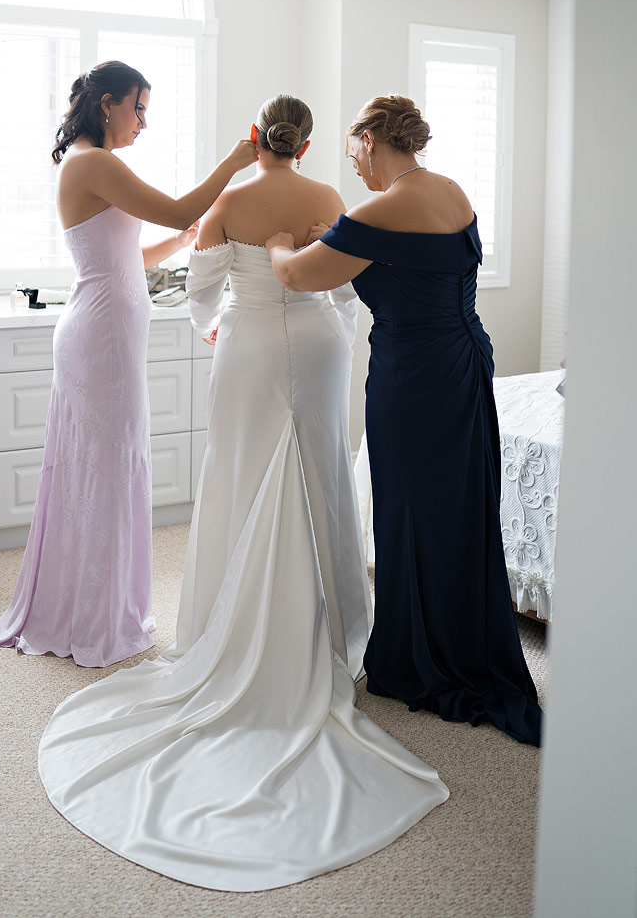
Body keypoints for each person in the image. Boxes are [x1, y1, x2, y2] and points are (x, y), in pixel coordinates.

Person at [36, 94, 448, 892]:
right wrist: (327, 324)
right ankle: (332, 634)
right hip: (319, 348)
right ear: (308, 142)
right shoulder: (328, 196)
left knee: (239, 472)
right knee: (320, 471)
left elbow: (200, 290)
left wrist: (212, 326)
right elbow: (345, 293)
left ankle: (229, 629)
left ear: (259, 139)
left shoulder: (228, 202)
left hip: (250, 344)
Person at [267, 94, 542, 747]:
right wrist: (336, 235)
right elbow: (408, 259)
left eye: (352, 154)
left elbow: (299, 277)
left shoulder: (378, 210)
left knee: (411, 511)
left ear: (369, 139)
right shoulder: (450, 192)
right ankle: (460, 640)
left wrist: (279, 246)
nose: (354, 168)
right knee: (457, 509)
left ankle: (419, 660)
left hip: (412, 378)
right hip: (465, 363)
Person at [0, 60, 257, 668]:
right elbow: (178, 208)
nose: (143, 123)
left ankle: (100, 605)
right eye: (139, 108)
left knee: (109, 465)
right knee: (103, 469)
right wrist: (235, 163)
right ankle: (93, 615)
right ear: (108, 104)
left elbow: (127, 254)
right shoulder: (93, 163)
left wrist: (180, 242)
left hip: (108, 332)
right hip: (99, 337)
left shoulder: (94, 163)